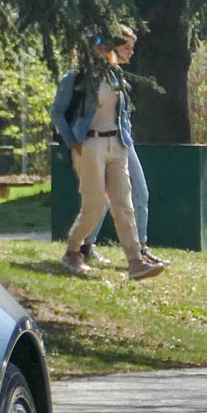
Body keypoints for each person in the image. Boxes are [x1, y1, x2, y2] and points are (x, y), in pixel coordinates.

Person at [51, 26, 168, 279]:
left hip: (118, 145)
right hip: (89, 145)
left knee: (124, 204)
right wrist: (73, 142)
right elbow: (57, 112)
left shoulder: (117, 76)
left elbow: (122, 113)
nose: (128, 51)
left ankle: (135, 261)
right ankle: (73, 251)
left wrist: (123, 139)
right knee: (94, 206)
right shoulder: (78, 77)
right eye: (123, 45)